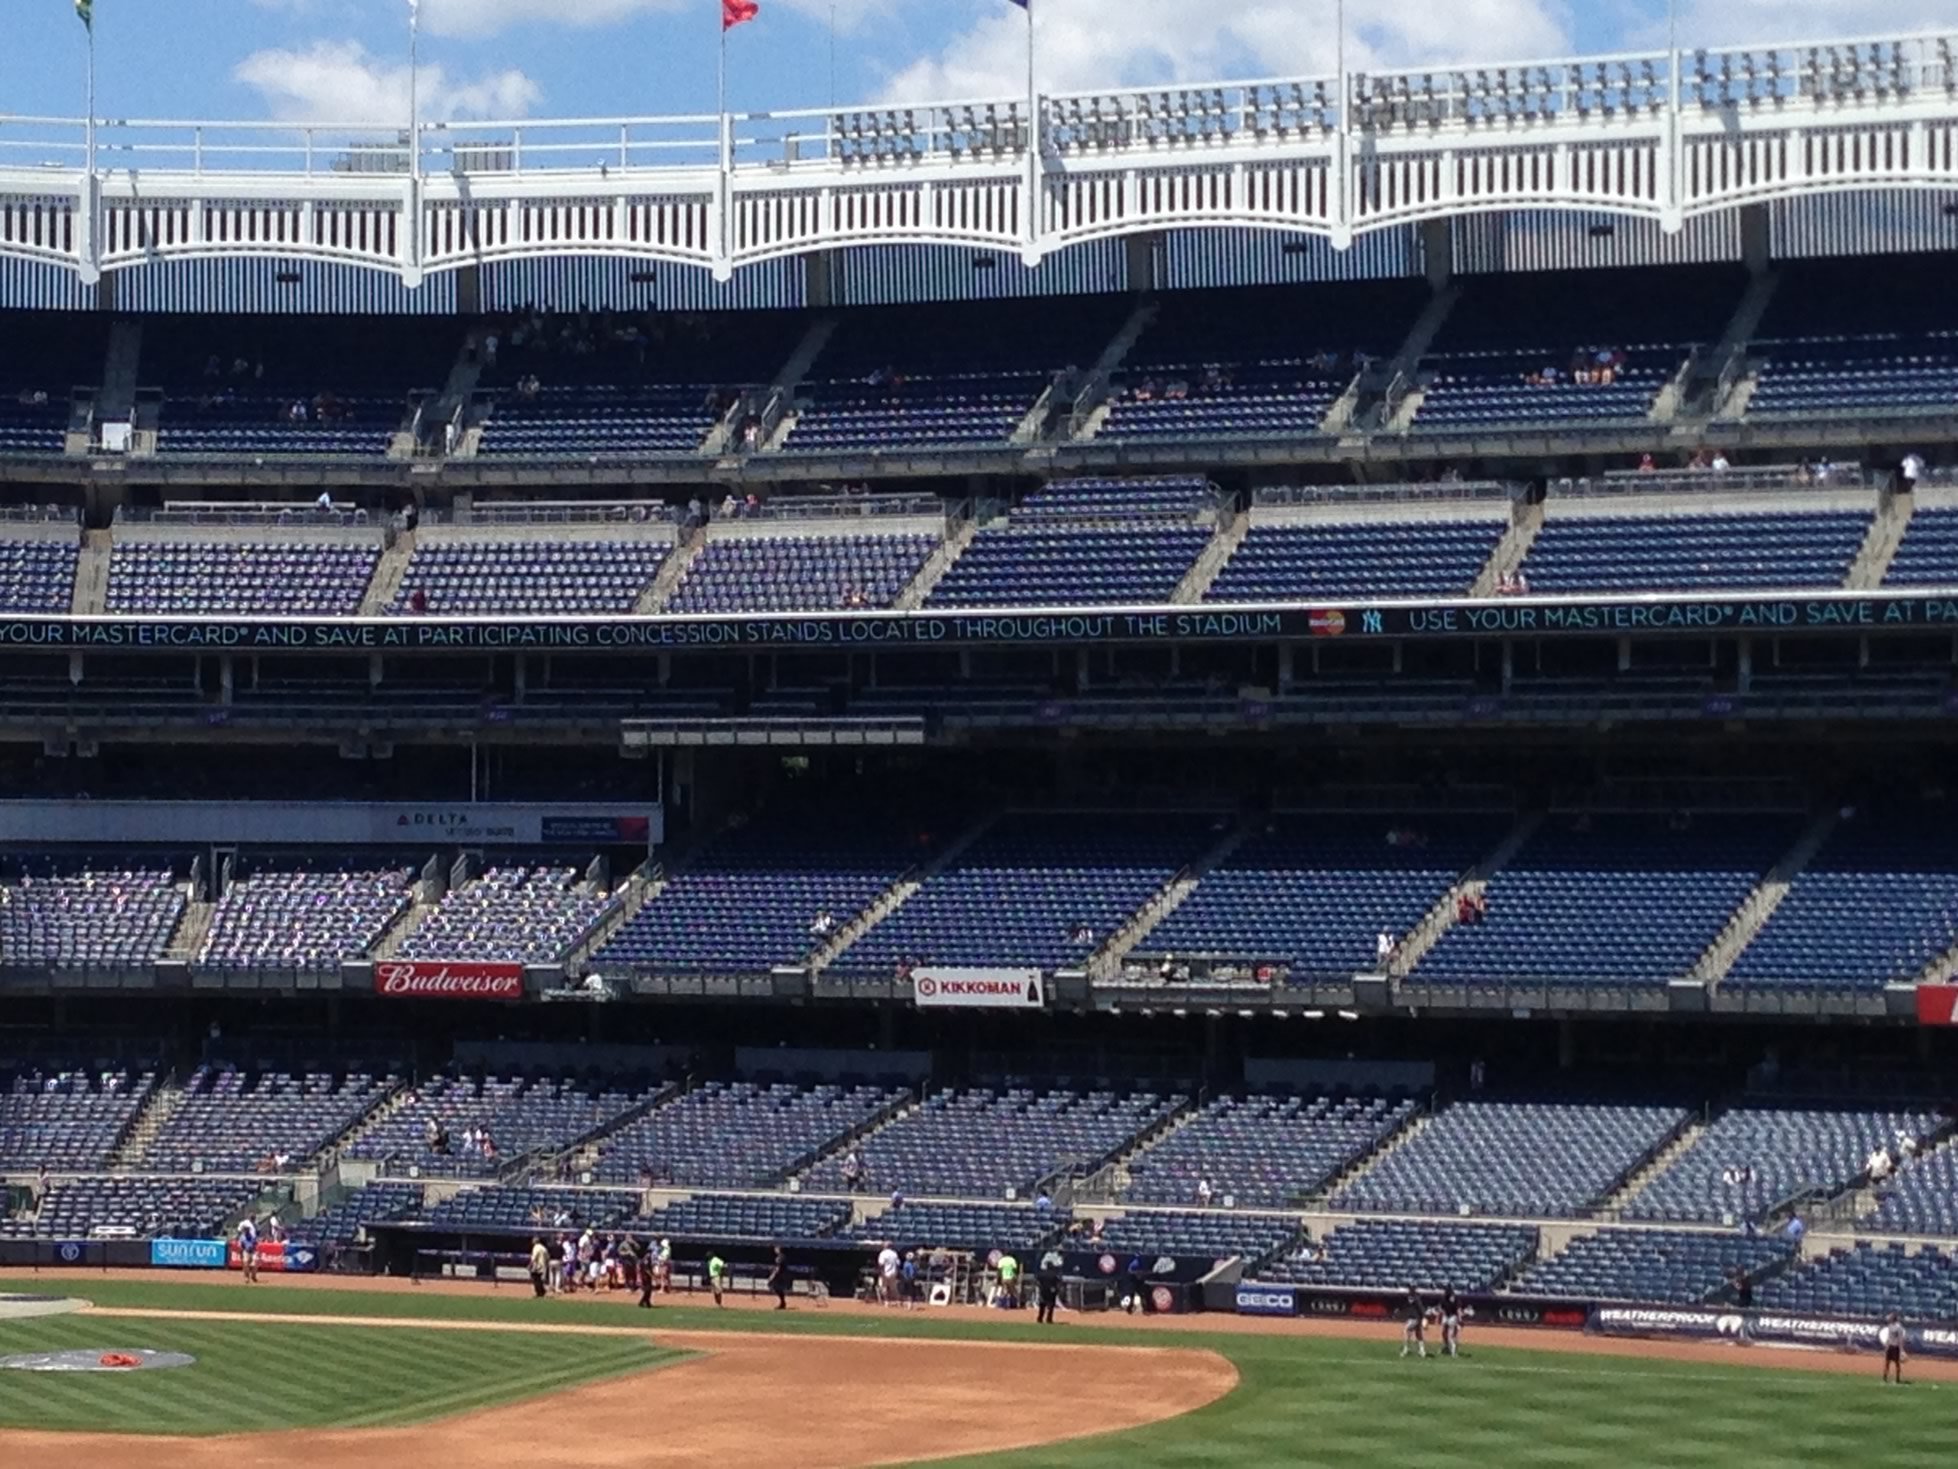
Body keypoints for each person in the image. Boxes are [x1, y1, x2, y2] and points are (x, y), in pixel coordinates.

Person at [1035, 1251, 1063, 1325]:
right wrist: (1056, 1289)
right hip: (1051, 1290)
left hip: (1043, 1290)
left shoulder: (1042, 1273)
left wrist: (1040, 1287)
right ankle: (1049, 1319)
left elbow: (1037, 1280)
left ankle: (1040, 1318)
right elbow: (1058, 1282)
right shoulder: (1054, 1274)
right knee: (1051, 1305)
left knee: (1042, 1305)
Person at [1880, 1312, 1907, 1384]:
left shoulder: (1899, 1327)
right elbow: (1889, 1337)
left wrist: (1901, 1350)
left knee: (1897, 1364)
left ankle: (1897, 1379)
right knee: (1887, 1363)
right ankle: (1884, 1378)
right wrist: (1887, 1346)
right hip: (1890, 1346)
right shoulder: (1889, 1326)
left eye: (1890, 1318)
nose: (1889, 1319)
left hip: (1896, 1347)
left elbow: (1900, 1339)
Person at [1400, 1286, 1427, 1358]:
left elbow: (1421, 1308)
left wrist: (1424, 1317)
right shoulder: (1414, 1297)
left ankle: (1406, 1349)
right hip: (1416, 1318)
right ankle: (1422, 1351)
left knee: (1406, 1330)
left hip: (1414, 1318)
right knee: (1418, 1334)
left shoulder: (1415, 1298)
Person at [1439, 1285, 1462, 1357]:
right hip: (1446, 1316)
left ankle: (1453, 1351)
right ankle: (1446, 1347)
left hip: (1452, 1316)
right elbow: (1441, 1308)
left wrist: (1460, 1319)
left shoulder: (1455, 1298)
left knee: (1451, 1335)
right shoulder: (1443, 1298)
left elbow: (1458, 1310)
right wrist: (1441, 1316)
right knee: (1444, 1333)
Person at [238, 1217, 259, 1284]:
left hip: (253, 1251)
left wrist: (254, 1248)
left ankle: (253, 1276)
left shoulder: (252, 1236)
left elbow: (256, 1244)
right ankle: (247, 1277)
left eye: (248, 1229)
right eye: (246, 1229)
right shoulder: (242, 1237)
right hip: (246, 1251)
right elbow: (241, 1246)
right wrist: (241, 1253)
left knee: (255, 1263)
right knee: (246, 1263)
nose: (247, 1230)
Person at [638, 1237, 658, 1309]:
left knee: (649, 1289)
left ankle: (647, 1302)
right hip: (645, 1275)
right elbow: (646, 1268)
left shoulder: (646, 1258)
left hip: (645, 1274)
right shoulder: (647, 1258)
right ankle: (643, 1301)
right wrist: (652, 1275)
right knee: (648, 1289)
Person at [769, 1245, 790, 1311]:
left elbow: (778, 1268)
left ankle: (782, 1303)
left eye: (776, 1248)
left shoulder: (780, 1257)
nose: (775, 1250)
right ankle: (782, 1303)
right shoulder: (782, 1256)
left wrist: (773, 1275)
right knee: (777, 1288)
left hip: (780, 1275)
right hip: (782, 1275)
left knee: (776, 1287)